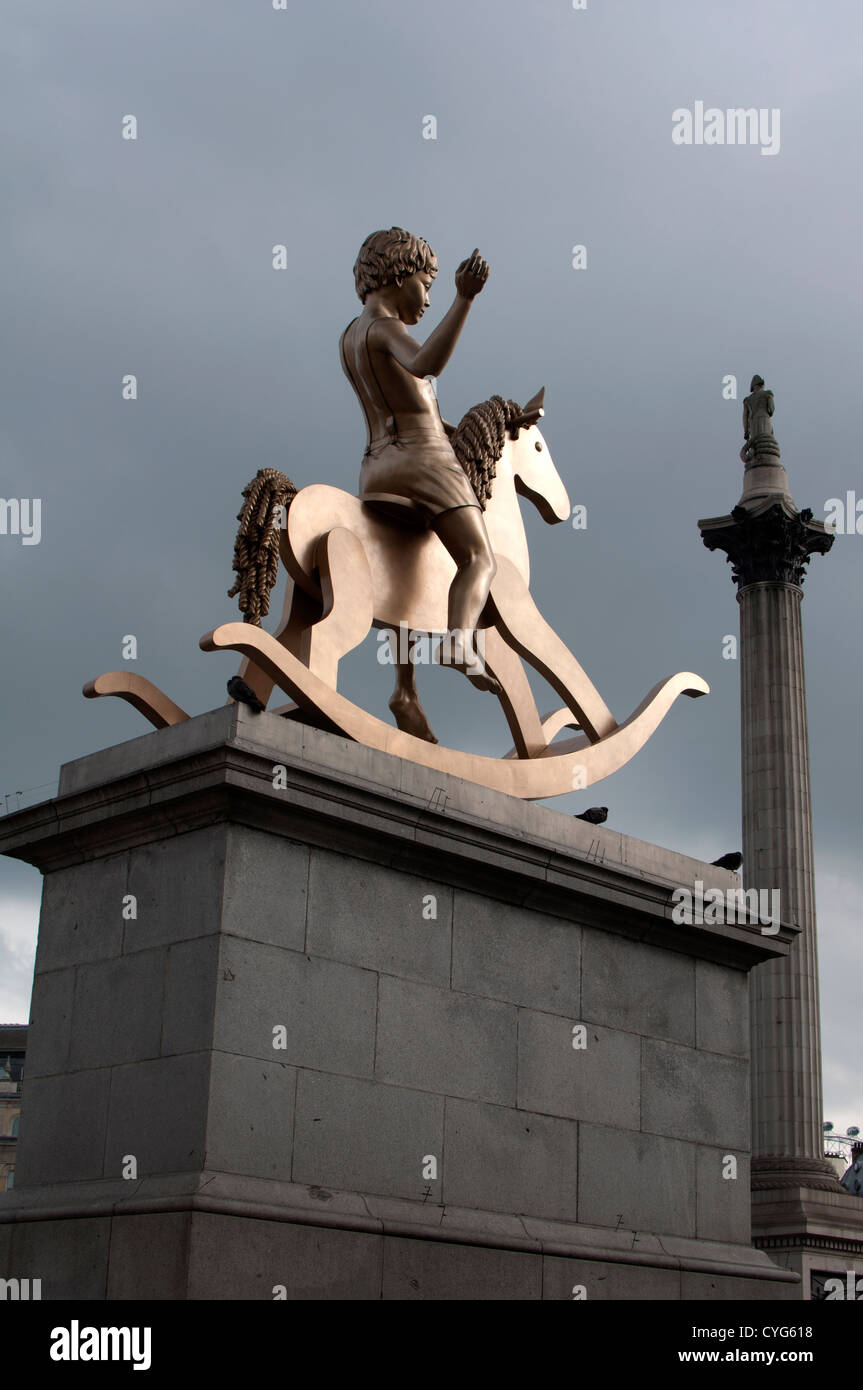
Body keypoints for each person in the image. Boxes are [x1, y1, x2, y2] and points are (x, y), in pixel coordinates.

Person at [340, 227, 499, 695]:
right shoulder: (389, 329)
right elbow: (427, 362)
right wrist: (465, 300)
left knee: (403, 566)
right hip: (424, 462)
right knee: (479, 557)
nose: (428, 299)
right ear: (398, 274)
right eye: (425, 285)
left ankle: (404, 690)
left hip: (377, 464)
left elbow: (406, 402)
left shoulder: (351, 334)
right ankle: (460, 641)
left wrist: (465, 427)